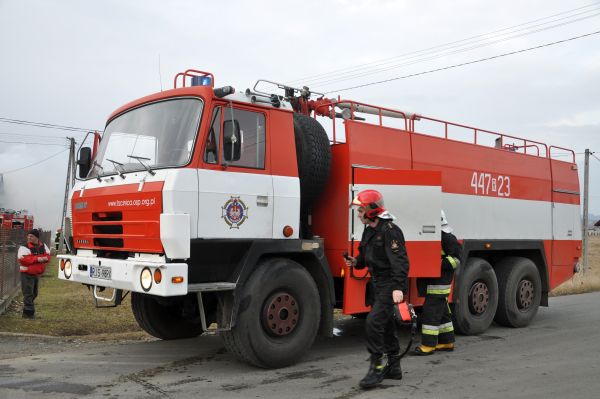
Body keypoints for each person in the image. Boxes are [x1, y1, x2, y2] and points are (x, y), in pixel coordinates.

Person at [345, 189, 410, 389]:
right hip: (376, 283)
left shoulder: (390, 230)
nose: (358, 214)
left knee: (373, 323)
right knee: (386, 323)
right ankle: (394, 366)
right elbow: (365, 256)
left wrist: (398, 287)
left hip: (390, 283)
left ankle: (376, 368)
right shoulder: (369, 230)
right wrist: (356, 262)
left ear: (372, 210)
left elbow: (401, 261)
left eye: (361, 210)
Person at [413, 210, 462, 355]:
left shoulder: (446, 237)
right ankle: (447, 341)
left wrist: (438, 264)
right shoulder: (436, 235)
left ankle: (428, 345)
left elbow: (458, 259)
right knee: (441, 310)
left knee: (431, 311)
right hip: (434, 280)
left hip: (439, 281)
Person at [17, 229, 51, 319]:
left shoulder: (43, 246)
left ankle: (26, 308)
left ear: (36, 237)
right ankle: (28, 314)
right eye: (28, 236)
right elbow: (23, 259)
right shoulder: (24, 247)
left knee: (34, 293)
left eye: (31, 236)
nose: (29, 237)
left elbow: (48, 256)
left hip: (36, 274)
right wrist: (38, 259)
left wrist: (39, 259)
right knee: (28, 294)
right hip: (26, 273)